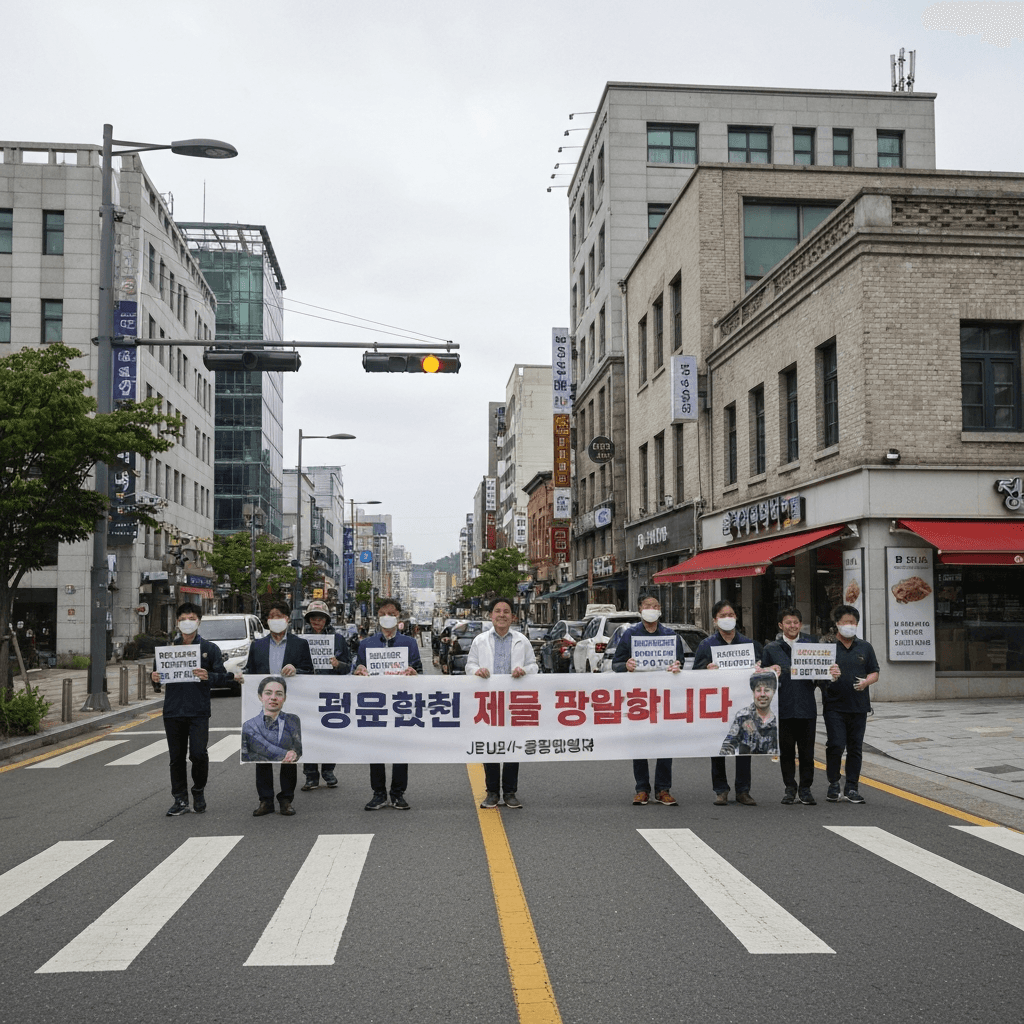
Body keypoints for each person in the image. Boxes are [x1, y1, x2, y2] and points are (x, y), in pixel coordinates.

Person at [150, 602, 228, 816]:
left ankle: (198, 790)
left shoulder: (210, 649)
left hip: (198, 711)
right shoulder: (169, 650)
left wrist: (208, 676)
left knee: (198, 754)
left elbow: (223, 677)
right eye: (183, 619)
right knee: (176, 758)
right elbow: (157, 680)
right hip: (173, 711)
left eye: (191, 618)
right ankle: (180, 798)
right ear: (177, 622)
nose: (187, 623)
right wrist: (154, 678)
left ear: (199, 621)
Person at [236, 601, 313, 816]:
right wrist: (243, 677)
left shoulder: (299, 644)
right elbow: (251, 671)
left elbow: (310, 672)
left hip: (289, 706)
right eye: (271, 615)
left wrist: (297, 670)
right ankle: (265, 800)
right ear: (267, 621)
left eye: (280, 615)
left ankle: (286, 799)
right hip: (264, 708)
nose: (276, 619)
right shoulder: (258, 646)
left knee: (289, 755)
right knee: (261, 755)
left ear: (288, 619)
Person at [611, 595, 687, 807]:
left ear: (660, 609)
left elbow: (680, 666)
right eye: (647, 606)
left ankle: (663, 789)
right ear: (640, 609)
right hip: (639, 698)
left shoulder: (670, 636)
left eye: (655, 606)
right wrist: (626, 665)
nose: (651, 609)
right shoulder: (630, 635)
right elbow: (615, 664)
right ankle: (642, 788)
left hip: (664, 698)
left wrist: (677, 667)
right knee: (640, 743)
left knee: (665, 743)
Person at [465, 596, 538, 810]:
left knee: (512, 747)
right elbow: (470, 665)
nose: (502, 615)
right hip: (489, 702)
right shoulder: (480, 640)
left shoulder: (521, 640)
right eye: (498, 611)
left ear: (512, 616)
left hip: (514, 702)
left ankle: (510, 792)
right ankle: (492, 792)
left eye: (506, 611)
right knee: (490, 747)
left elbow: (534, 666)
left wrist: (523, 670)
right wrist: (476, 671)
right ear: (491, 616)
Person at [692, 600, 765, 806]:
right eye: (722, 616)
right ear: (715, 620)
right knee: (719, 747)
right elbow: (695, 674)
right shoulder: (707, 646)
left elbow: (765, 671)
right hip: (717, 705)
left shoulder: (750, 645)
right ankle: (721, 789)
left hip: (743, 705)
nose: (727, 619)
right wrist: (707, 671)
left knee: (744, 746)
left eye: (731, 615)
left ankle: (743, 790)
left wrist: (760, 668)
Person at [354, 598, 422, 810]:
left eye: (391, 613)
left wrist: (414, 673)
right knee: (376, 751)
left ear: (398, 616)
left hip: (401, 705)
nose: (387, 617)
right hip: (375, 705)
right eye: (383, 613)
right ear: (377, 616)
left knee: (400, 751)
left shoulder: (409, 643)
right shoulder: (366, 644)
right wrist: (358, 672)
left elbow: (420, 672)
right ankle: (379, 793)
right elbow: (356, 671)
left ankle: (398, 793)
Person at [761, 607, 820, 805]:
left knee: (807, 753)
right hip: (783, 708)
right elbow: (762, 678)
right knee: (786, 752)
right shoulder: (771, 649)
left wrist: (831, 674)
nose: (792, 626)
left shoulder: (812, 645)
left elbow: (822, 679)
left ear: (800, 624)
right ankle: (789, 788)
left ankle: (805, 789)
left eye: (796, 622)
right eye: (788, 622)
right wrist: (769, 670)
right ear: (781, 625)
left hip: (806, 707)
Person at [823, 604, 880, 804]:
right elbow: (817, 674)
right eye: (846, 622)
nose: (850, 626)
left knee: (855, 747)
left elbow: (875, 672)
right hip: (834, 705)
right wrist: (828, 675)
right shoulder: (827, 648)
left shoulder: (865, 647)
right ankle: (833, 783)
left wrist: (867, 682)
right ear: (837, 624)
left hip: (859, 706)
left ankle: (852, 787)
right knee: (836, 745)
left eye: (853, 623)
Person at [300, 599, 350, 792]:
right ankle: (310, 776)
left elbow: (349, 667)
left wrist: (339, 665)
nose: (316, 622)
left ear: (326, 620)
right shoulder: (301, 640)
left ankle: (328, 771)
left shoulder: (338, 640)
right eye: (313, 618)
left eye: (320, 618)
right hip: (308, 694)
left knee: (330, 734)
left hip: (331, 693)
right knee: (309, 735)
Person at [242, 676, 303, 816]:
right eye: (268, 693)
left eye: (279, 694)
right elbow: (246, 754)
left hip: (288, 759)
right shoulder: (249, 725)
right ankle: (265, 801)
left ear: (285, 698)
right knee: (262, 764)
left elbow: (298, 745)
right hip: (262, 758)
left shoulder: (293, 720)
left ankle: (286, 800)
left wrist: (294, 752)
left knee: (289, 764)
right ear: (260, 696)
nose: (273, 698)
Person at [719, 671, 780, 755]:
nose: (762, 694)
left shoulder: (779, 717)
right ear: (753, 692)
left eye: (767, 690)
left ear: (773, 692)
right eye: (758, 690)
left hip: (771, 765)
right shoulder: (743, 716)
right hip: (746, 764)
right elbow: (728, 745)